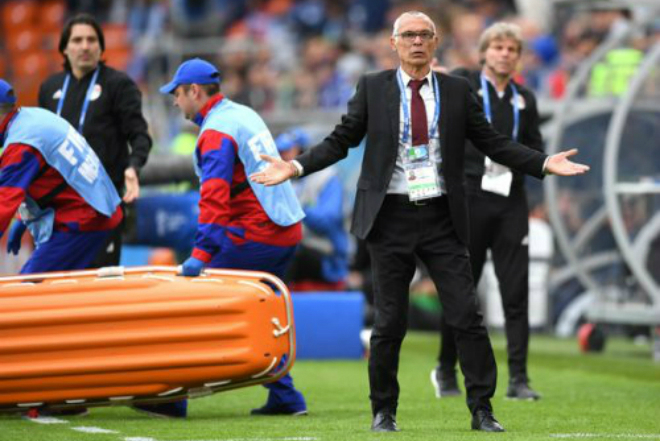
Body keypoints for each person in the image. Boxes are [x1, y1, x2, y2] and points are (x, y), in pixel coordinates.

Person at [250, 11, 589, 433]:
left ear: (435, 42)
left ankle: (482, 409)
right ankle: (384, 411)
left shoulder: (457, 90)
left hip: (441, 215)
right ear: (394, 43)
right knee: (391, 320)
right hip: (388, 215)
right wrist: (296, 167)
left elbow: (492, 142)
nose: (416, 41)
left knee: (467, 314)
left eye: (424, 35)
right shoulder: (373, 87)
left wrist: (541, 162)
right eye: (408, 35)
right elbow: (342, 140)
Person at [133, 58, 307, 419]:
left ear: (195, 91)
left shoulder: (215, 131)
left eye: (177, 94)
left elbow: (215, 198)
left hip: (257, 232)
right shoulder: (241, 113)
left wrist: (201, 253)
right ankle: (286, 398)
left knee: (190, 305)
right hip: (284, 229)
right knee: (259, 315)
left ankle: (172, 400)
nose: (175, 101)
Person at [432, 22, 543, 401]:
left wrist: (545, 166)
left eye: (512, 48)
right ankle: (446, 369)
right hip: (470, 198)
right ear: (483, 52)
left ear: (518, 57)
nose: (505, 53)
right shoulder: (464, 83)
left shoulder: (524, 98)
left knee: (516, 292)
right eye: (498, 46)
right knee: (463, 291)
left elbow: (532, 149)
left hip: (511, 201)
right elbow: (438, 86)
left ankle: (519, 379)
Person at [38, 13, 152, 267]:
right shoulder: (49, 88)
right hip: (58, 207)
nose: (85, 46)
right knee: (60, 285)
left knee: (100, 281)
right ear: (64, 48)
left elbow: (140, 135)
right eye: (77, 40)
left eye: (91, 40)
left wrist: (133, 167)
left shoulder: (119, 85)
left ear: (101, 47)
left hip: (102, 203)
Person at [0, 79, 122, 275]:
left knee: (29, 289)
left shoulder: (20, 145)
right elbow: (50, 177)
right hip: (95, 209)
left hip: (83, 218)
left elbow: (3, 202)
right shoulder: (31, 119)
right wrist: (23, 220)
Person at [275, 127, 349, 290]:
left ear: (302, 151)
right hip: (299, 249)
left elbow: (327, 221)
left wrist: (299, 207)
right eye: (280, 152)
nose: (282, 157)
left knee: (289, 251)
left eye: (287, 151)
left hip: (327, 256)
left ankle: (279, 303)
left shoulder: (326, 177)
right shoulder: (283, 181)